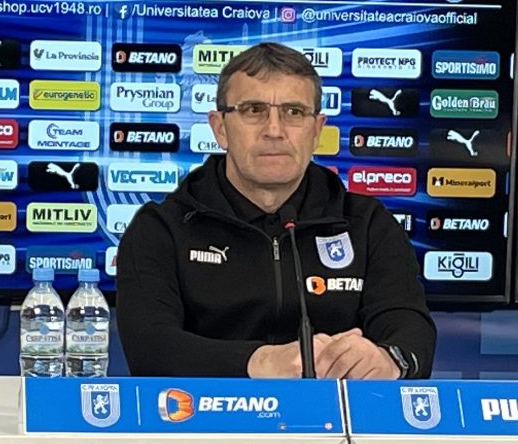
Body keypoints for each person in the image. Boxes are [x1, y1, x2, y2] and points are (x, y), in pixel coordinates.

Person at [116, 42, 435, 378]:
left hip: (333, 410)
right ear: (220, 128)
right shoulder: (162, 228)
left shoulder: (367, 223)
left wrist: (387, 359)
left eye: (293, 112)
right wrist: (262, 362)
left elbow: (410, 328)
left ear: (317, 130)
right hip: (202, 412)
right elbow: (150, 348)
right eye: (253, 110)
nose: (274, 130)